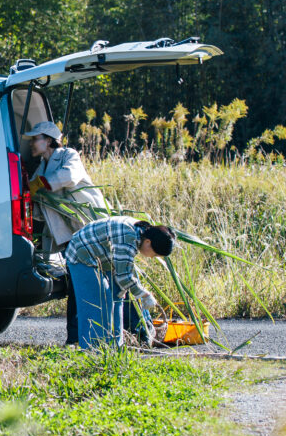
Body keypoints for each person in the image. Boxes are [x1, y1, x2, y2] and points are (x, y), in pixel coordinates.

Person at [62, 216, 174, 349]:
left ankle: (114, 346)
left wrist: (128, 291)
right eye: (154, 254)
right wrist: (144, 295)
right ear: (148, 242)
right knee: (99, 303)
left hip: (104, 257)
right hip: (82, 255)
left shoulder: (141, 233)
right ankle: (93, 349)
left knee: (118, 297)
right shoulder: (129, 238)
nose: (151, 257)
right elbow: (124, 277)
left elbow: (122, 276)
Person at [22, 121, 108, 250]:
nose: (31, 143)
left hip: (88, 221)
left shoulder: (68, 155)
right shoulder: (41, 169)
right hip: (67, 234)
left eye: (34, 139)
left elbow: (69, 175)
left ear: (49, 140)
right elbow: (42, 208)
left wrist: (42, 184)